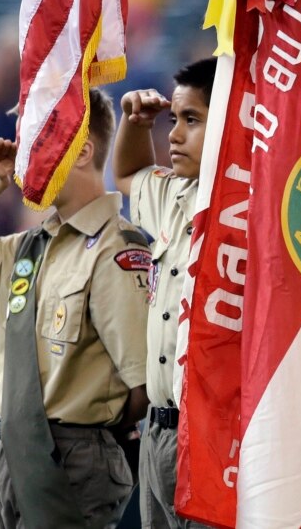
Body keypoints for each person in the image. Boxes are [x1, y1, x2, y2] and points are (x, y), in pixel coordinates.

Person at [0, 88, 150, 528]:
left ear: (81, 152)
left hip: (75, 455)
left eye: (38, 139)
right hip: (15, 449)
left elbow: (142, 385)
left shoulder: (115, 252)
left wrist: (97, 444)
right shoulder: (27, 247)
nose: (23, 156)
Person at [114, 58, 214, 528]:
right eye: (174, 120)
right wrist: (137, 123)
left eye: (191, 120)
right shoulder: (174, 193)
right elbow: (129, 173)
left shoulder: (254, 209)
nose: (172, 135)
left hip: (210, 432)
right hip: (157, 427)